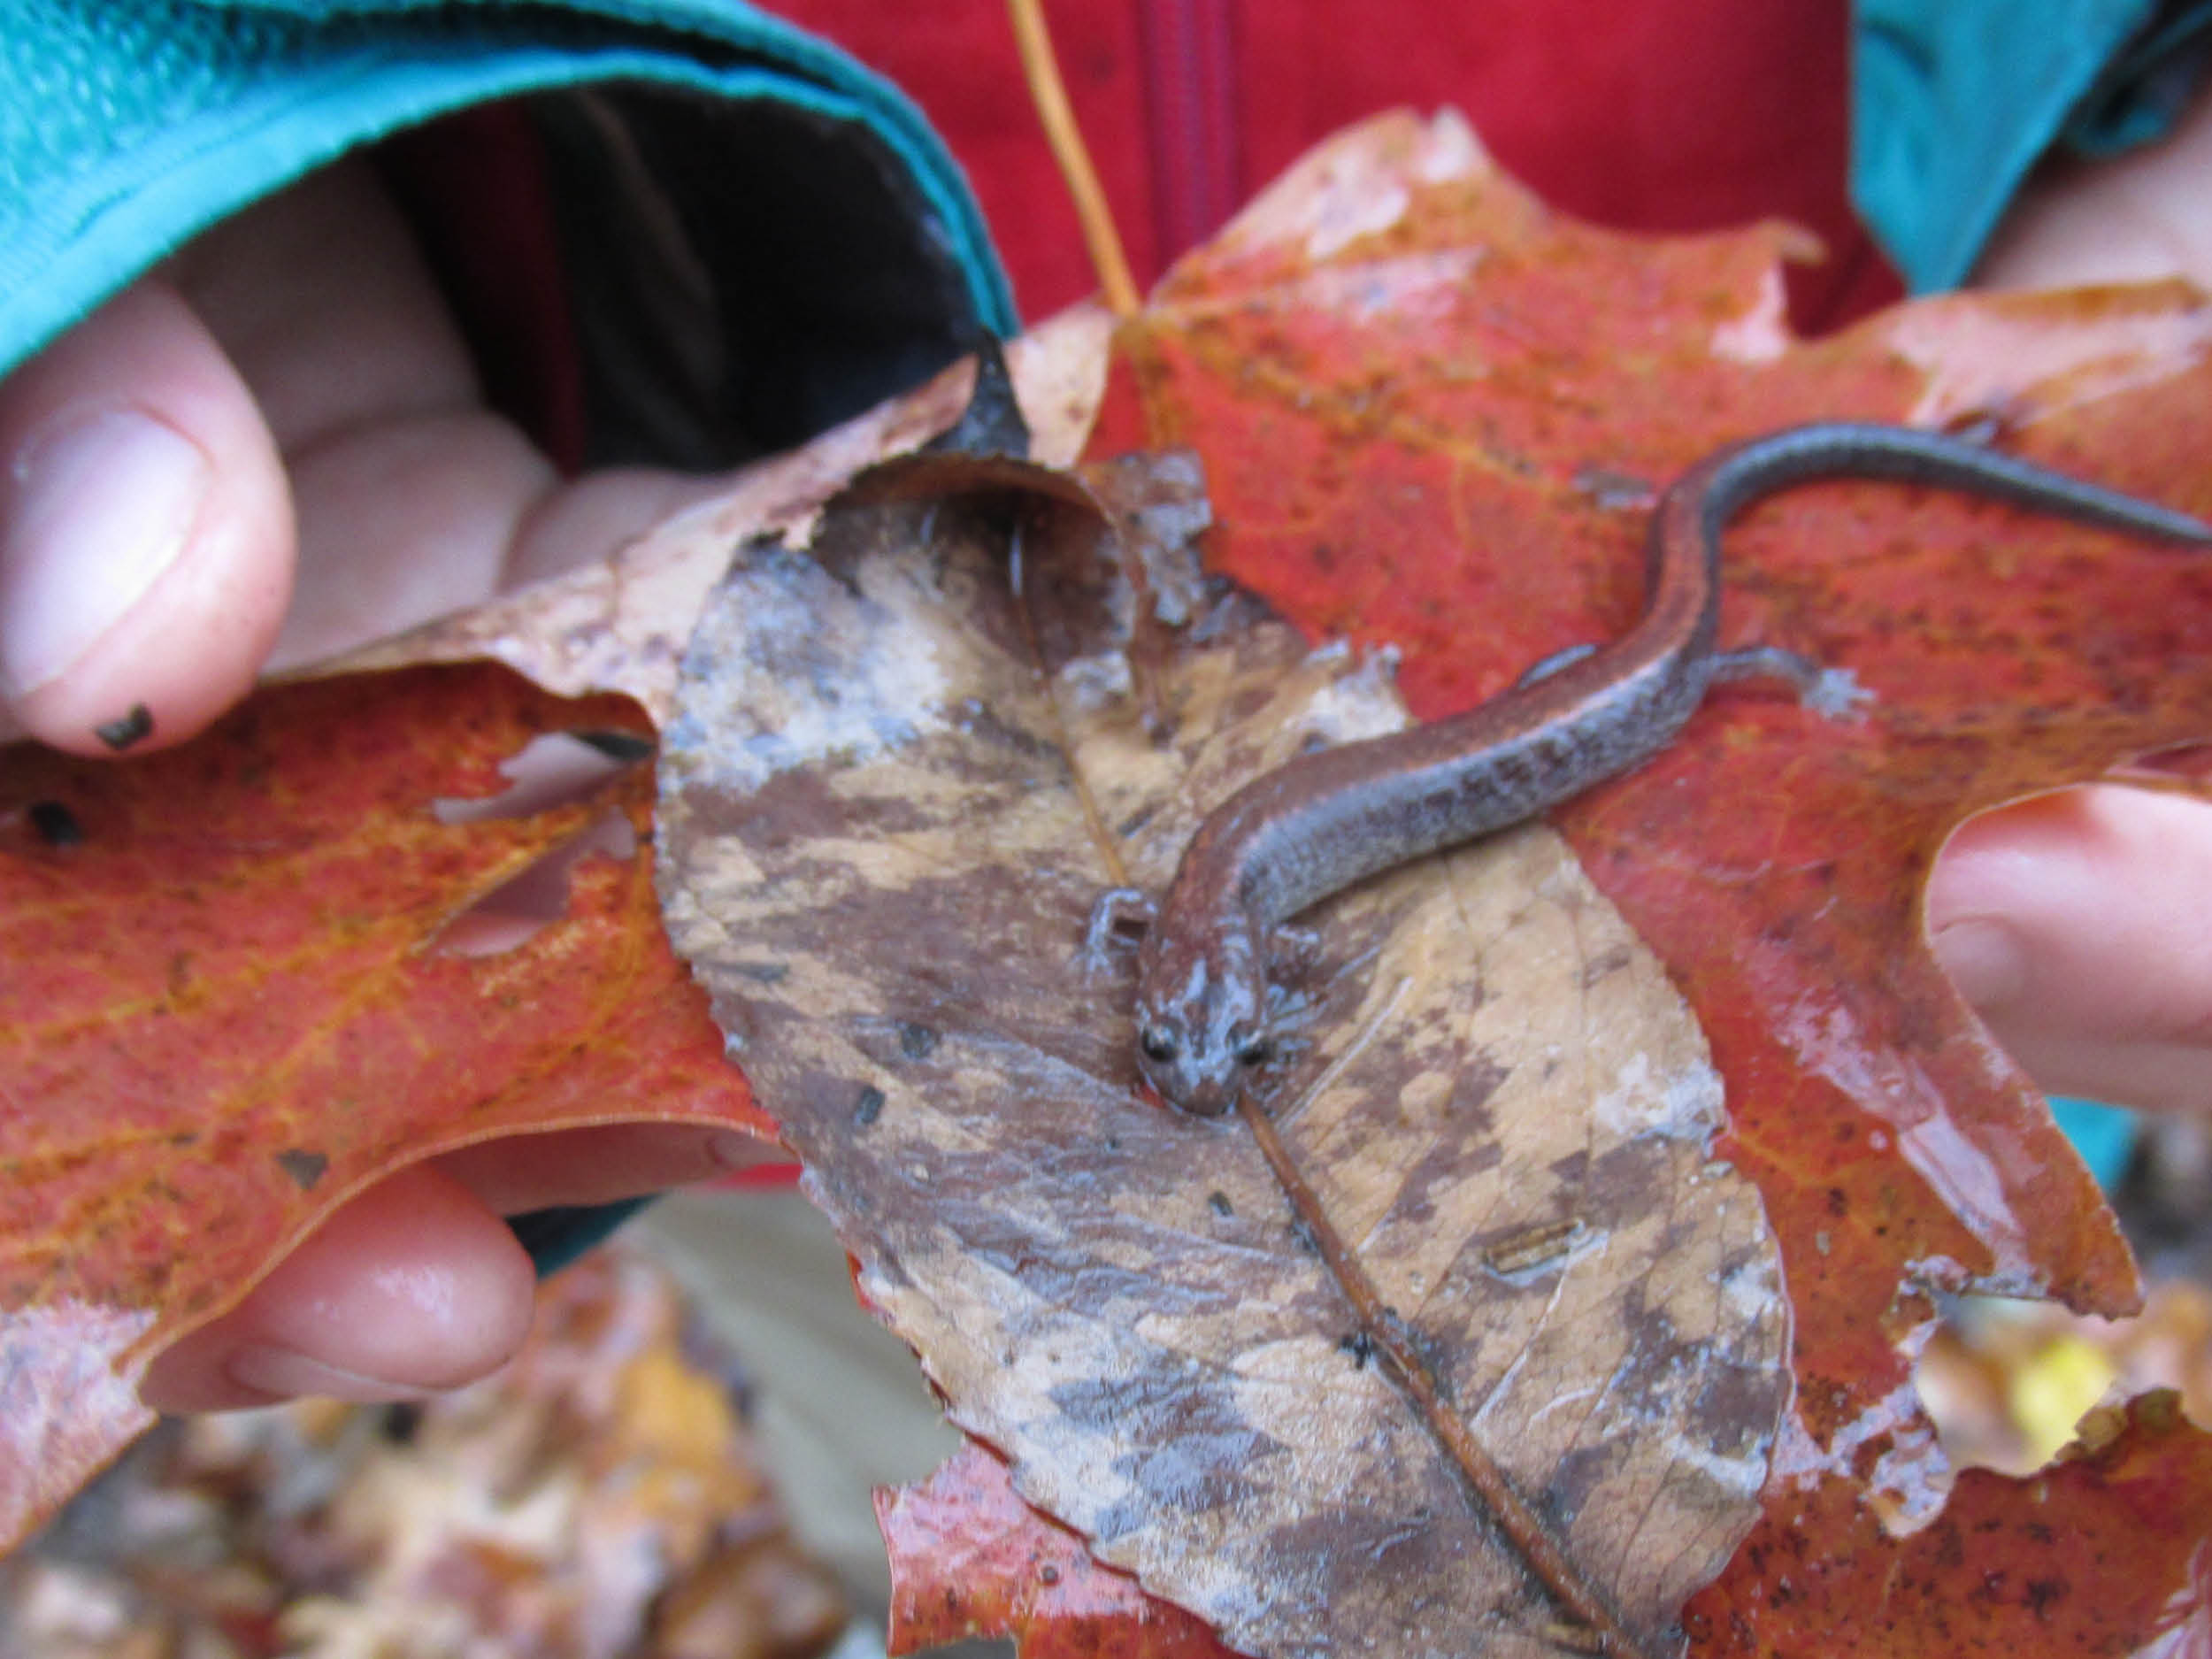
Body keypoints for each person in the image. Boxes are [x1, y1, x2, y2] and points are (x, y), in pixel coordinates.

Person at [5, 0, 2209, 1417]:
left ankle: (1762, 640)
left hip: (1651, 590)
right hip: (597, 430)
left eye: (1191, 1024)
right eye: (1191, 1025)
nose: (1191, 1039)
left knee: (1685, 685)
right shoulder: (1209, 913)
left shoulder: (1220, 906)